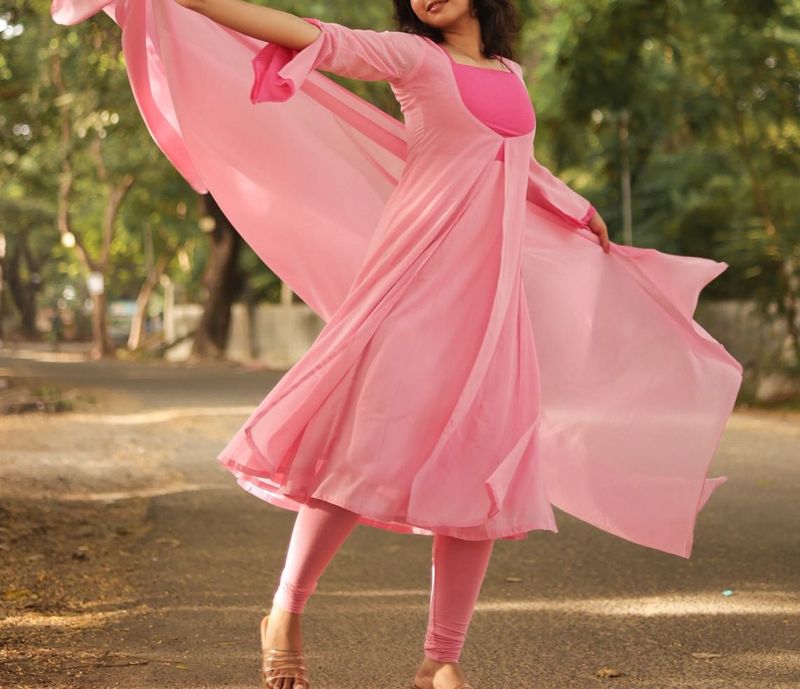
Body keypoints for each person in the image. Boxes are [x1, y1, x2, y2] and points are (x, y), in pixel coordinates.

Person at [50, 0, 744, 687]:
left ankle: (441, 657)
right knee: (361, 447)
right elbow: (300, 32)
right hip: (412, 287)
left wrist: (576, 205)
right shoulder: (415, 59)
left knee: (482, 470)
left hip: (491, 307)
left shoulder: (512, 73)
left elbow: (515, 162)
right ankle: (284, 610)